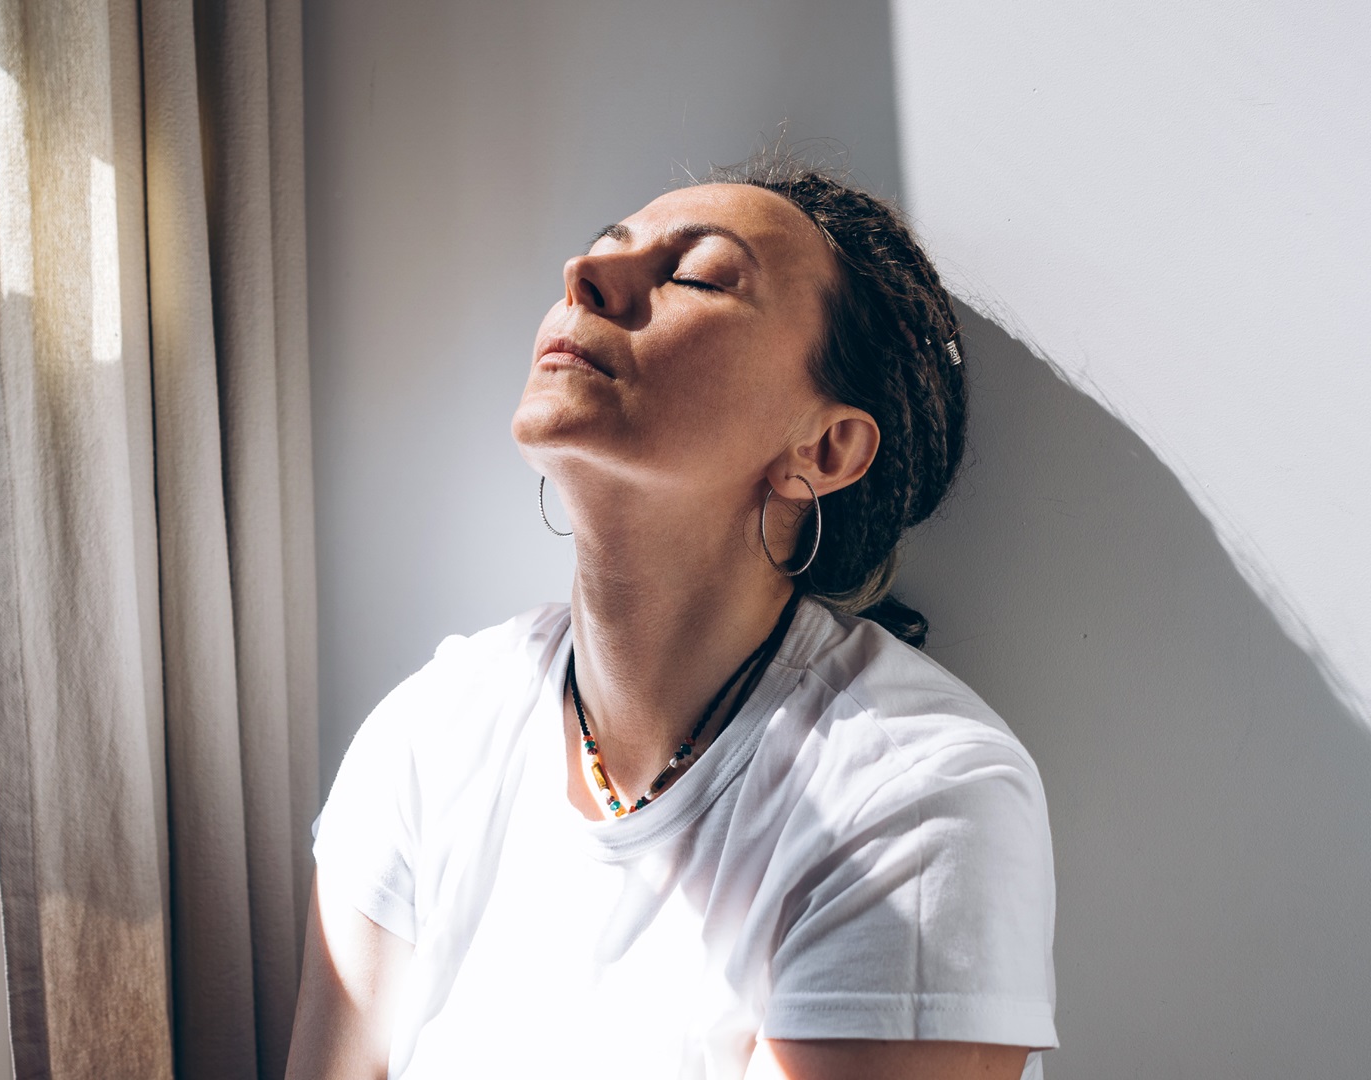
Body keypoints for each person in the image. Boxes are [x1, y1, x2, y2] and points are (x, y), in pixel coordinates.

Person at [287, 157, 1057, 1080]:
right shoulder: (434, 729)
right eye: (603, 248)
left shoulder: (920, 797)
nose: (585, 276)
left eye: (694, 274)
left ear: (825, 445)